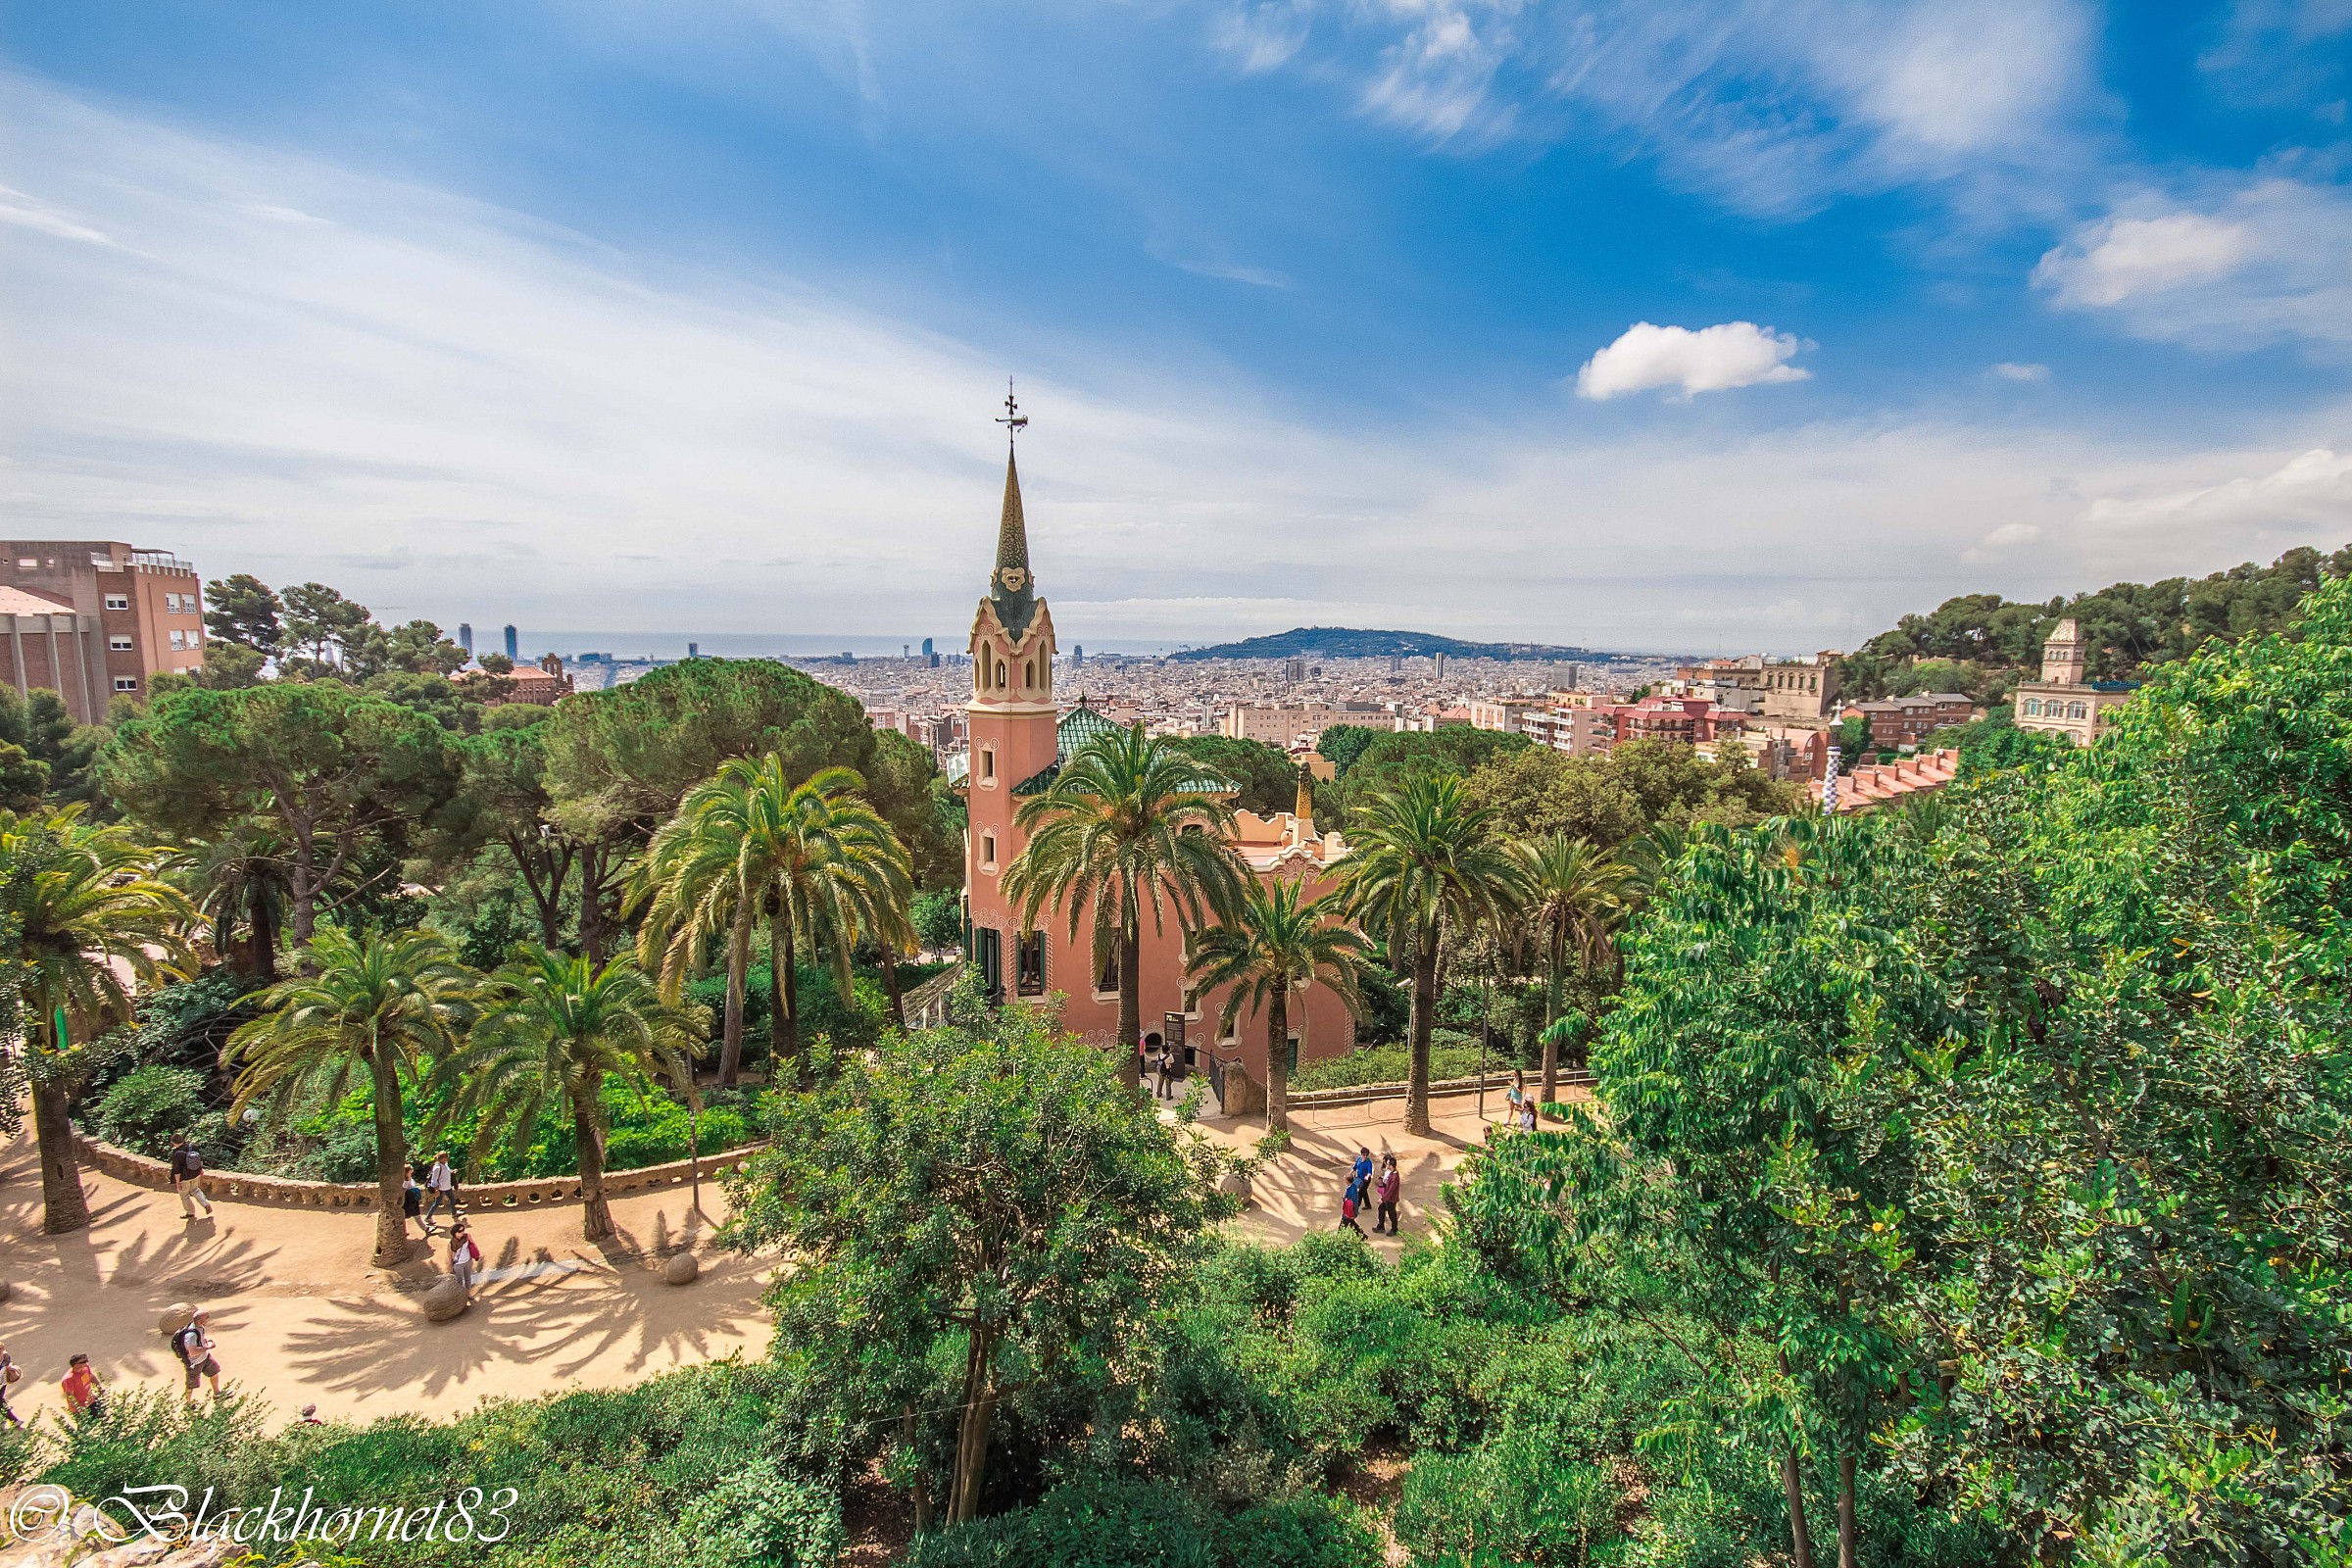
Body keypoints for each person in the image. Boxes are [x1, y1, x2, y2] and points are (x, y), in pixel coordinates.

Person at [174, 1311, 222, 1401]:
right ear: (200, 1320)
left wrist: (204, 1342)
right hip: (194, 1363)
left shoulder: (200, 1327)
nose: (208, 1318)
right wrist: (208, 1347)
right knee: (191, 1385)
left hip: (205, 1358)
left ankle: (217, 1393)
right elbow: (192, 1352)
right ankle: (187, 1403)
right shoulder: (191, 1335)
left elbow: (199, 1339)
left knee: (215, 1372)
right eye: (206, 1317)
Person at [168, 1133, 213, 1220]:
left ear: (173, 1143)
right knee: (195, 1190)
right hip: (195, 1174)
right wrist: (201, 1169)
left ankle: (190, 1212)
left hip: (184, 1178)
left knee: (184, 1196)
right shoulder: (193, 1147)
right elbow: (200, 1159)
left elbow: (177, 1170)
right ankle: (206, 1204)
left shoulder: (177, 1154)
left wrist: (177, 1183)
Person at [62, 1353, 106, 1423]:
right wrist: (79, 1409)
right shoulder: (69, 1378)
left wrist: (99, 1387)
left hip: (91, 1401)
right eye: (84, 1362)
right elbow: (70, 1395)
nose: (86, 1363)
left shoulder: (86, 1368)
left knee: (102, 1420)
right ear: (76, 1365)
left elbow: (91, 1377)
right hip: (80, 1408)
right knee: (86, 1428)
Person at [422, 1151, 457, 1234]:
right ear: (442, 1158)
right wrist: (436, 1190)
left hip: (447, 1187)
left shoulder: (445, 1165)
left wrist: (452, 1171)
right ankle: (428, 1217)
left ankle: (454, 1213)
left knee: (452, 1199)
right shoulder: (437, 1168)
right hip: (441, 1188)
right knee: (437, 1203)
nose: (447, 1159)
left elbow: (447, 1172)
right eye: (446, 1157)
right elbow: (434, 1180)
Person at [449, 1222, 483, 1295]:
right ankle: (461, 1295)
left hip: (468, 1261)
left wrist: (477, 1254)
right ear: (455, 1233)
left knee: (468, 1278)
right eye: (459, 1231)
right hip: (458, 1264)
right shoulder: (451, 1243)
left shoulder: (467, 1237)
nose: (462, 1232)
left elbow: (473, 1244)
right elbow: (450, 1255)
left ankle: (468, 1293)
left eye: (463, 1230)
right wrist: (450, 1266)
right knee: (459, 1280)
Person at [1373, 1155, 1401, 1236]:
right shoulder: (1392, 1174)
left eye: (1388, 1164)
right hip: (1388, 1198)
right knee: (1381, 1209)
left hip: (1391, 1199)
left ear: (1391, 1166)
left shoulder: (1394, 1177)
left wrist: (1382, 1199)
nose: (1387, 1165)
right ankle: (1381, 1226)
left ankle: (1394, 1229)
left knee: (1392, 1214)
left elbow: (1391, 1190)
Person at [0, 1343, 21, 1428]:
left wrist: (10, 1367)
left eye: (1, 1348)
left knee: (1, 1398)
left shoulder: (5, 1356)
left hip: (2, 1382)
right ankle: (14, 1420)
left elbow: (8, 1363)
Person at [403, 1167, 423, 1235]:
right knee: (415, 1214)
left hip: (413, 1199)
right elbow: (404, 1190)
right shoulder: (405, 1180)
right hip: (410, 1199)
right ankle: (425, 1228)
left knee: (415, 1214)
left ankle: (425, 1228)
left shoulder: (410, 1179)